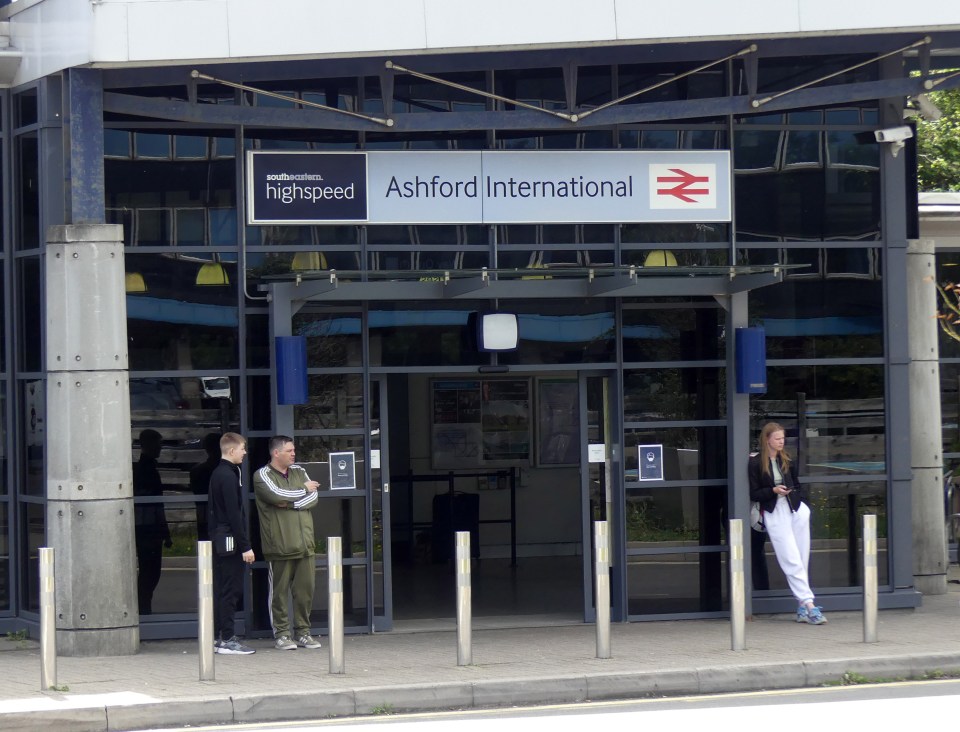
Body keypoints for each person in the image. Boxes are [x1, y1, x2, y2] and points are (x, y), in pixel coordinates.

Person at [748, 422, 827, 625]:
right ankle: (810, 605)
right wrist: (773, 491)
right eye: (777, 438)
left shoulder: (786, 459)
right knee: (790, 559)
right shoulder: (756, 463)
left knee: (802, 557)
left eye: (783, 438)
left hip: (795, 509)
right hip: (775, 511)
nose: (781, 442)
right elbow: (754, 493)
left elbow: (797, 484)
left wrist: (800, 502)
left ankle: (802, 606)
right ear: (767, 440)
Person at [253, 435, 322, 651]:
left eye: (294, 450)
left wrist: (289, 504)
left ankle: (303, 632)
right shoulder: (262, 475)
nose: (294, 454)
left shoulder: (299, 472)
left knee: (305, 591)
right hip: (280, 545)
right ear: (276, 453)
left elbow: (314, 498)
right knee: (279, 594)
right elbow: (275, 495)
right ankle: (282, 634)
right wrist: (303, 490)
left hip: (305, 544)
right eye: (289, 450)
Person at [207, 432, 256, 655]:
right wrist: (245, 545)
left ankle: (221, 637)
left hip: (222, 537)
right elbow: (234, 514)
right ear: (232, 450)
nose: (245, 452)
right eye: (243, 448)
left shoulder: (221, 472)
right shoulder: (227, 475)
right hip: (229, 540)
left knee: (224, 588)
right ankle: (227, 638)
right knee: (230, 589)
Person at [133, 428, 172, 615]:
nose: (160, 448)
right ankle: (143, 606)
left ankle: (144, 605)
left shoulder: (146, 468)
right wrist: (164, 530)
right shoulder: (145, 470)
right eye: (158, 444)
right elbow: (154, 505)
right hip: (147, 527)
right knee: (150, 570)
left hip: (148, 526)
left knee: (150, 570)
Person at [190, 432, 222, 542]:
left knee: (205, 544)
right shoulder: (226, 471)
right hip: (217, 515)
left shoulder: (197, 470)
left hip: (204, 514)